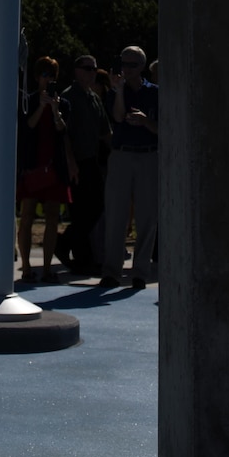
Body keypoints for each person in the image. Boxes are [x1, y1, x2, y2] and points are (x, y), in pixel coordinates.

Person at [99, 46, 158, 291]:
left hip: (148, 156)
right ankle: (111, 272)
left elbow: (164, 129)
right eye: (123, 63)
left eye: (132, 65)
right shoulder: (114, 91)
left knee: (147, 216)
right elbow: (118, 117)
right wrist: (120, 91)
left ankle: (140, 273)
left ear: (142, 66)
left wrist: (146, 121)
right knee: (115, 215)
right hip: (122, 155)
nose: (126, 69)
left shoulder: (155, 93)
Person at [17, 57, 72, 283]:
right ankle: (27, 267)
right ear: (37, 77)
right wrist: (41, 105)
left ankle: (48, 267)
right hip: (32, 165)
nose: (47, 79)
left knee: (52, 217)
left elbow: (63, 129)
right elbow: (27, 126)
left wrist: (55, 109)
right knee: (27, 215)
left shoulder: (64, 103)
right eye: (44, 75)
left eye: (51, 75)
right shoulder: (27, 101)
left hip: (54, 166)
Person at [58, 54, 111, 276]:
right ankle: (80, 255)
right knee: (81, 209)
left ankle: (68, 243)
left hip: (92, 160)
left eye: (94, 69)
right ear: (77, 70)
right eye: (87, 68)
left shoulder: (94, 98)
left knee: (97, 205)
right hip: (75, 160)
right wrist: (70, 162)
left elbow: (105, 132)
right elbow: (63, 133)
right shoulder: (68, 97)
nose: (92, 72)